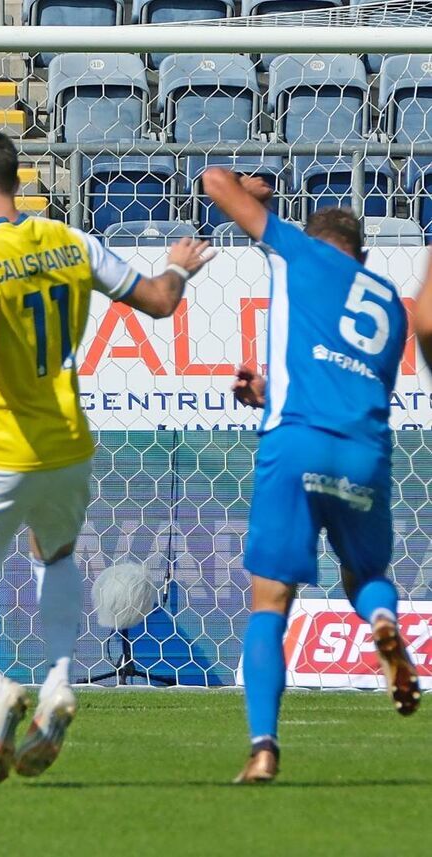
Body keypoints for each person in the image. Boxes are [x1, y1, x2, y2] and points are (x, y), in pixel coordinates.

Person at [0, 129, 214, 784]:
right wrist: (179, 265)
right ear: (18, 181)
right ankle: (61, 677)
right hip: (67, 445)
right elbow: (157, 300)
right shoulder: (73, 242)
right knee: (54, 553)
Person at [207, 168, 421, 784]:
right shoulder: (390, 305)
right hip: (364, 451)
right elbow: (344, 386)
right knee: (368, 576)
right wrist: (269, 391)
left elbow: (213, 180)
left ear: (310, 238)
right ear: (364, 254)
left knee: (270, 604)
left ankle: (263, 748)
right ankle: (383, 626)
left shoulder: (294, 254)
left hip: (295, 444)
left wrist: (254, 190)